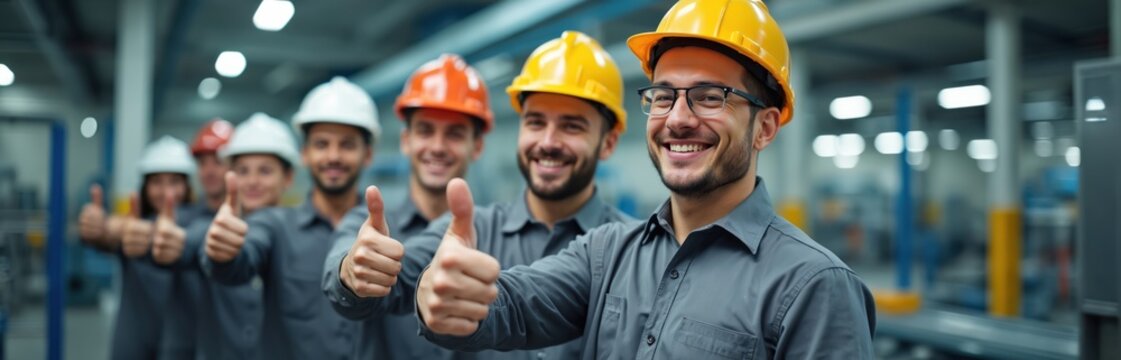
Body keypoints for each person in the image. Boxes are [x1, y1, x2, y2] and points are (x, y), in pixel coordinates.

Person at [414, 1, 877, 359]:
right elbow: (510, 306)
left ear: (766, 127)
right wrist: (444, 293)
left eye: (709, 96)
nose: (677, 119)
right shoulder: (607, 253)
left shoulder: (815, 286)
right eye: (663, 95)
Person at [327, 31, 632, 360]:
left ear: (609, 142)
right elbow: (405, 274)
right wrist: (355, 273)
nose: (547, 142)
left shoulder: (632, 252)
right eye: (535, 122)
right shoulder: (474, 231)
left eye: (572, 126)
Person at [321, 54, 491, 359]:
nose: (437, 147)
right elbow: (341, 262)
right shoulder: (369, 225)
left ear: (476, 146)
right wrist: (350, 271)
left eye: (454, 133)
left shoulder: (495, 233)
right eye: (425, 130)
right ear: (406, 140)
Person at [201, 77, 379, 360]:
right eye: (321, 144)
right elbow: (239, 263)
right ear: (305, 154)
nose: (333, 156)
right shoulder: (274, 225)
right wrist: (223, 253)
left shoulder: (386, 235)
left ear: (367, 154)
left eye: (346, 145)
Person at [179, 113, 298, 359]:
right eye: (243, 171)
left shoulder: (303, 234)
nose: (253, 181)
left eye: (264, 171)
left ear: (287, 177)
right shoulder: (213, 229)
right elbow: (190, 243)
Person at [77, 135, 198, 359]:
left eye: (174, 182)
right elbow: (114, 233)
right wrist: (100, 227)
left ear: (187, 185)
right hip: (134, 342)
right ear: (145, 187)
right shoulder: (132, 225)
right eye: (157, 182)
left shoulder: (199, 223)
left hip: (184, 343)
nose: (166, 192)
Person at [157, 118, 234, 360]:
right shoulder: (179, 219)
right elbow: (148, 230)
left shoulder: (252, 223)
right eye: (203, 163)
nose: (209, 171)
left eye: (218, 162)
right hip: (185, 343)